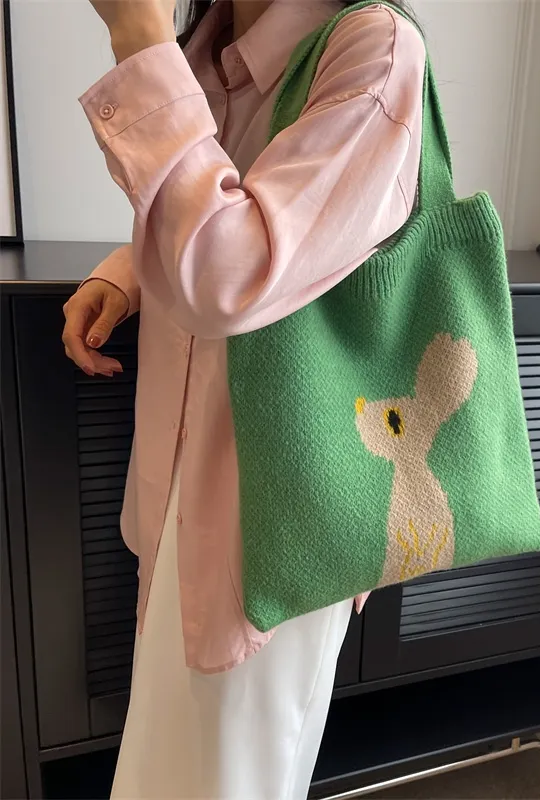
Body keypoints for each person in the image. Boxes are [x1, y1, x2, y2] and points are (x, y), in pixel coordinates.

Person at [61, 0, 424, 795]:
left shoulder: (374, 45)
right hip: (182, 493)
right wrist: (129, 272)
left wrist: (139, 38)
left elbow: (233, 271)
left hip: (274, 516)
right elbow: (233, 210)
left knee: (226, 779)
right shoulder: (215, 44)